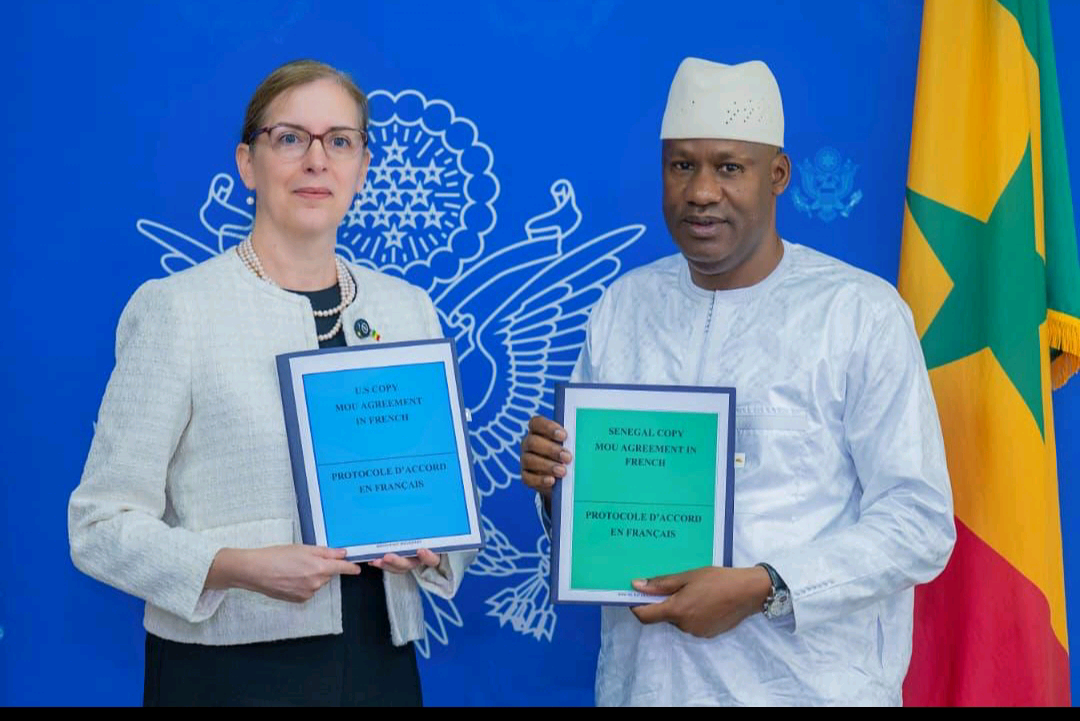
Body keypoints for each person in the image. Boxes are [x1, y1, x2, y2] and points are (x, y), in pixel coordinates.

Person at [518, 57, 956, 706]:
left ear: (777, 175)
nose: (701, 191)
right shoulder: (625, 307)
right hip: (648, 687)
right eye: (682, 165)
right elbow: (596, 518)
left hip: (808, 689)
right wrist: (558, 485)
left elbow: (918, 523)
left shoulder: (857, 313)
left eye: (728, 167)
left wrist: (765, 585)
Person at [68, 59, 474, 707]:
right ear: (247, 163)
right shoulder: (179, 309)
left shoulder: (407, 309)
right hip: (226, 670)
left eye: (339, 140)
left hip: (380, 662)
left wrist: (434, 546)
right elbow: (99, 525)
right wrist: (235, 565)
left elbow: (448, 499)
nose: (317, 160)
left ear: (363, 167)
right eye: (290, 138)